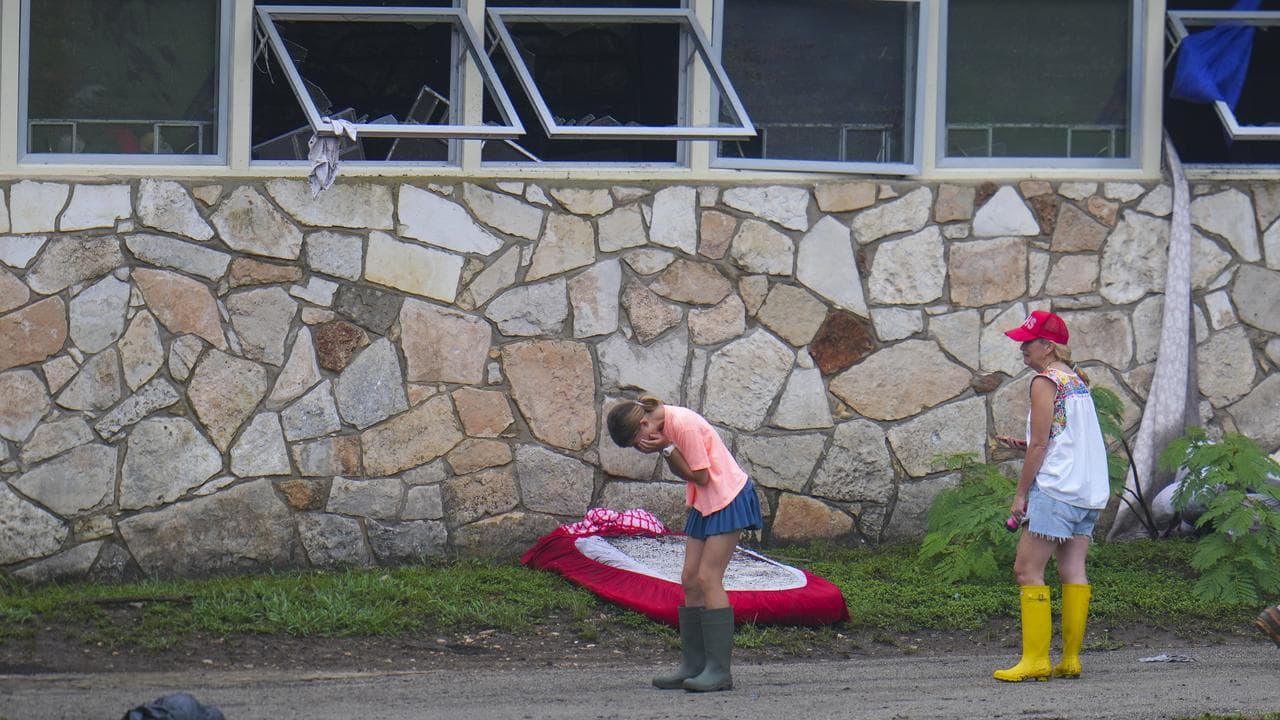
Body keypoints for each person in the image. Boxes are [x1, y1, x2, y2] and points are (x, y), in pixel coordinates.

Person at [606, 395, 763, 692]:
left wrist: (666, 448)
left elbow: (701, 477)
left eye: (638, 443)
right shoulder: (662, 424)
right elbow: (689, 475)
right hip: (705, 502)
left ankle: (719, 671)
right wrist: (666, 448)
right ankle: (693, 665)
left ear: (642, 424)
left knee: (708, 578)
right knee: (690, 579)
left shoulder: (683, 426)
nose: (641, 447)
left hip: (727, 498)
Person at [992, 310, 1110, 682]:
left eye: (1027, 343)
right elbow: (1066, 438)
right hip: (1086, 493)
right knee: (1072, 570)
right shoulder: (1076, 380)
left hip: (1056, 491)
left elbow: (1042, 445)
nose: (1022, 349)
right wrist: (1026, 444)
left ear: (1048, 346)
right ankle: (1070, 659)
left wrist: (1020, 494)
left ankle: (1036, 661)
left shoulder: (1044, 381)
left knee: (1027, 571)